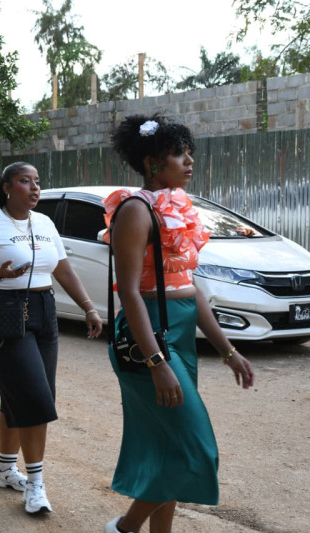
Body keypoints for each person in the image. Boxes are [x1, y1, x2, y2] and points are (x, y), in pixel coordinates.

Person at [102, 115, 255, 533]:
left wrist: (228, 351)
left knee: (169, 448)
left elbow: (191, 289)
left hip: (180, 332)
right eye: (178, 154)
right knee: (195, 450)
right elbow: (129, 293)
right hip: (149, 335)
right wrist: (156, 363)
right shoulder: (136, 211)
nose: (190, 161)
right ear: (152, 163)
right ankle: (124, 529)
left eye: (190, 153)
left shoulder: (179, 206)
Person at [0, 162, 102, 515]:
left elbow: (62, 268)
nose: (35, 188)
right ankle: (35, 484)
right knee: (35, 397)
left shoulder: (45, 223)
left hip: (43, 309)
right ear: (7, 187)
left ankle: (5, 470)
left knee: (21, 393)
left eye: (37, 181)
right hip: (1, 312)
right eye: (25, 181)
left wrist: (88, 307)